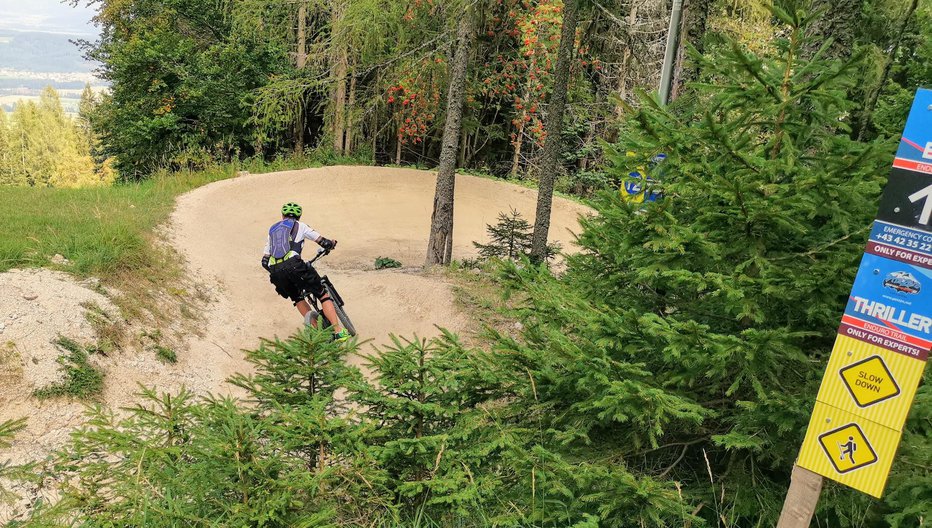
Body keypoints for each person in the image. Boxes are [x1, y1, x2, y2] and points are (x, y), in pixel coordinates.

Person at [261, 202, 350, 341]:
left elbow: (264, 261)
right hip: (295, 266)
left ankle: (318, 335)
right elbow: (323, 242)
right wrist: (331, 244)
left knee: (297, 298)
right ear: (299, 216)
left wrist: (278, 271)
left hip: (276, 271)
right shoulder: (301, 226)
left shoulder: (272, 231)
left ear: (282, 216)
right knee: (322, 294)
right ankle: (338, 331)